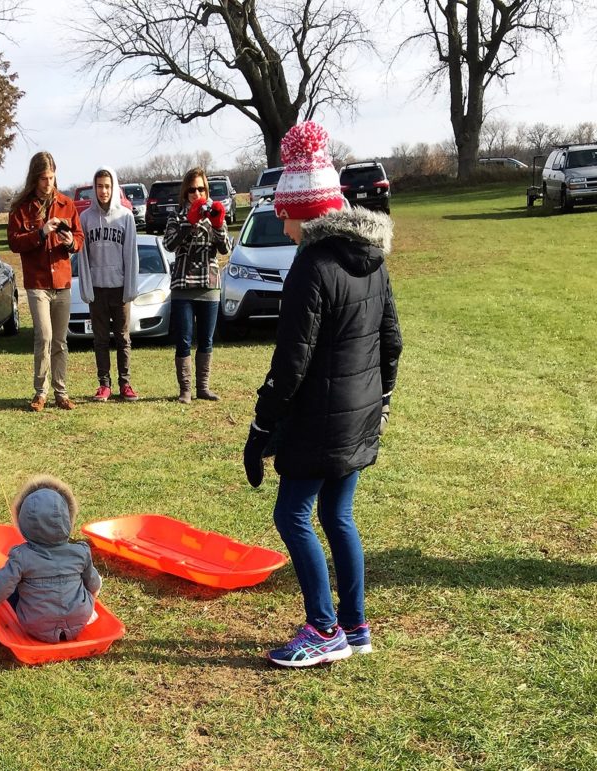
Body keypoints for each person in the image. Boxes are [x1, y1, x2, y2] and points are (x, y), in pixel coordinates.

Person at [243, 121, 403, 667]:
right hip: (359, 418)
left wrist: (262, 427)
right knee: (338, 516)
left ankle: (324, 628)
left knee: (292, 515)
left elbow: (291, 362)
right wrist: (380, 405)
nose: (281, 225)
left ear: (303, 210)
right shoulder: (372, 259)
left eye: (283, 214)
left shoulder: (312, 265)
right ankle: (356, 625)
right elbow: (392, 342)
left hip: (320, 421)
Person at [0, 475, 103, 643]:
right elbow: (94, 584)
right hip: (80, 620)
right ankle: (83, 611)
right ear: (68, 520)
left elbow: (2, 586)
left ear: (23, 522)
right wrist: (88, 597)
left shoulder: (21, 556)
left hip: (35, 624)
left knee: (11, 583)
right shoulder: (80, 551)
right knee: (90, 580)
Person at [8, 152, 85, 411]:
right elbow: (14, 242)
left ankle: (60, 392)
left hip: (62, 281)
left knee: (60, 340)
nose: (48, 183)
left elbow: (79, 238)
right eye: (43, 178)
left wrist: (71, 242)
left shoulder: (66, 204)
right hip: (38, 282)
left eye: (51, 178)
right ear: (34, 178)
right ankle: (40, 392)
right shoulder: (22, 207)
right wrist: (41, 233)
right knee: (45, 336)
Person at [163, 167, 231, 404]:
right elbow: (169, 244)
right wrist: (189, 222)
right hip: (183, 285)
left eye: (200, 188)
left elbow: (225, 249)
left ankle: (203, 387)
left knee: (207, 339)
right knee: (184, 338)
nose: (196, 193)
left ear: (206, 189)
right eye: (192, 189)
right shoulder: (176, 215)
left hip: (209, 285)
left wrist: (218, 224)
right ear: (185, 191)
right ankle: (185, 390)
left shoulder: (215, 210)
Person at [78, 166, 140, 401]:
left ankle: (125, 383)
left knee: (123, 338)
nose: (103, 191)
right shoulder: (85, 218)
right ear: (93, 189)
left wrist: (130, 287)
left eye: (107, 186)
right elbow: (82, 257)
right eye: (99, 186)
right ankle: (104, 384)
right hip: (97, 288)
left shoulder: (125, 216)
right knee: (101, 339)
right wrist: (86, 287)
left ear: (114, 187)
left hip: (120, 287)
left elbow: (131, 254)